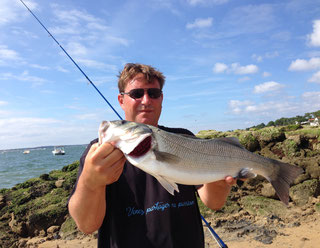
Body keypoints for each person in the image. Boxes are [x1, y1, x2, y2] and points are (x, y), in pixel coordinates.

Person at [68, 63, 237, 248]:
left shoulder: (185, 137)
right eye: (137, 94)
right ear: (121, 100)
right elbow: (86, 225)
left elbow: (214, 202)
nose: (146, 100)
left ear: (161, 99)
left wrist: (221, 180)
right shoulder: (98, 154)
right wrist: (91, 182)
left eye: (153, 94)